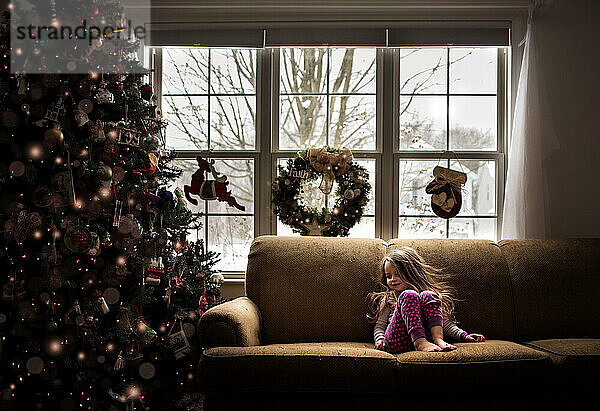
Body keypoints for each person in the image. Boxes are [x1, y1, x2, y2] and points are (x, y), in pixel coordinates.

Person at [366, 247, 485, 354]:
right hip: (396, 341)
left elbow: (446, 323)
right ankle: (420, 342)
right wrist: (380, 340)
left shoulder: (429, 298)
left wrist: (464, 336)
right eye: (388, 276)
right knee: (409, 295)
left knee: (429, 294)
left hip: (430, 341)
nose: (392, 279)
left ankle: (438, 339)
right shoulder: (389, 298)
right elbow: (380, 326)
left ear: (411, 273)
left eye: (397, 274)